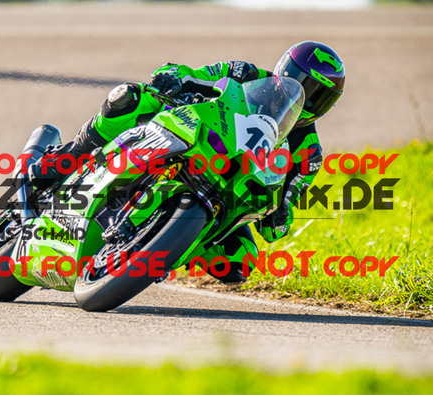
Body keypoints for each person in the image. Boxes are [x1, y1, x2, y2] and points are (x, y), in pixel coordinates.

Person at [30, 41, 345, 283]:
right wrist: (174, 78)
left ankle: (162, 246)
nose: (306, 98)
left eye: (319, 95)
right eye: (302, 84)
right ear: (284, 72)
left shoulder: (309, 154)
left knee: (240, 262)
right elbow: (196, 74)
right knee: (129, 98)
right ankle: (68, 157)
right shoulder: (244, 74)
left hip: (230, 188)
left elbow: (287, 201)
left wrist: (279, 216)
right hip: (194, 139)